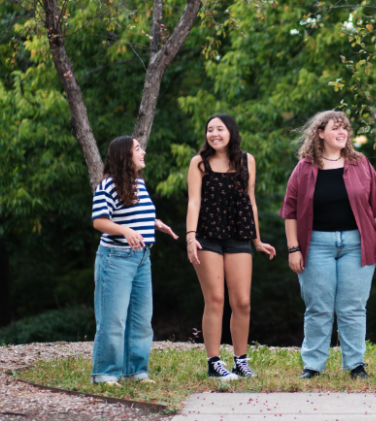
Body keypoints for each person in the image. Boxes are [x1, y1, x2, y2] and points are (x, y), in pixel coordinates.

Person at [281, 111, 376, 379]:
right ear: (320, 133)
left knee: (352, 307)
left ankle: (356, 365)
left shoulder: (360, 163)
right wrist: (293, 249)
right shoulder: (304, 168)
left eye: (345, 128)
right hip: (315, 245)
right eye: (335, 128)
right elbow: (290, 212)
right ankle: (313, 366)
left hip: (357, 243)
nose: (342, 132)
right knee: (318, 307)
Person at [186, 114, 276, 381]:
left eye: (219, 129)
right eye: (209, 129)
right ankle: (214, 363)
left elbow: (251, 201)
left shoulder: (247, 160)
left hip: (238, 234)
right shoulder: (199, 163)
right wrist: (191, 237)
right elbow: (193, 202)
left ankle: (240, 361)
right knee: (215, 299)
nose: (214, 134)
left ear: (231, 132)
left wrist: (257, 240)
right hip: (206, 236)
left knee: (243, 302)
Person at [90, 136, 178, 386]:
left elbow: (134, 215)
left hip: (141, 259)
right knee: (113, 320)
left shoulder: (138, 183)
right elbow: (99, 221)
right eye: (138, 149)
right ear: (124, 156)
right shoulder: (107, 186)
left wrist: (155, 224)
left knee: (140, 320)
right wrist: (126, 231)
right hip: (115, 259)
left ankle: (136, 372)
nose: (144, 152)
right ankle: (105, 374)